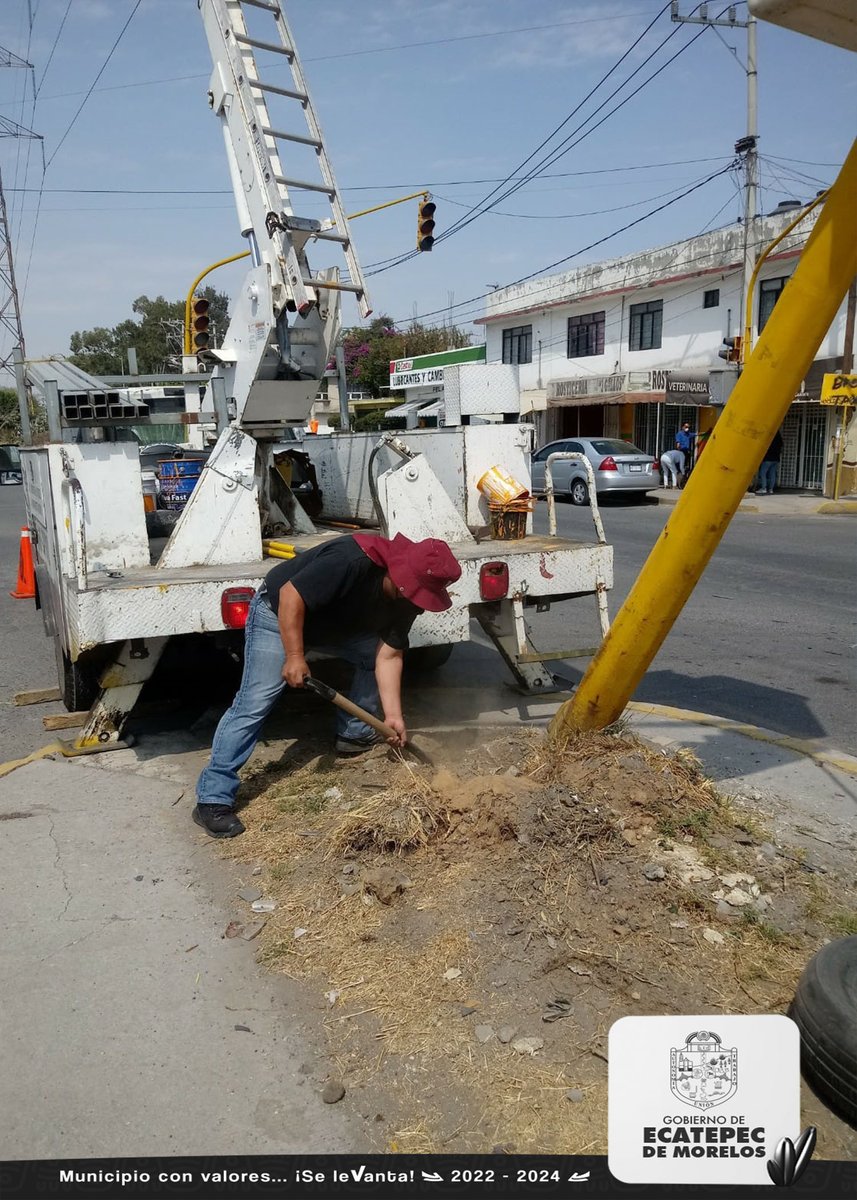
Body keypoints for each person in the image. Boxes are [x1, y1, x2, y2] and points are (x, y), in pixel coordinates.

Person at [193, 532, 462, 838]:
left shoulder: (408, 600)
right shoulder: (350, 561)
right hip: (278, 613)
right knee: (254, 703)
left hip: (338, 627)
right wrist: (294, 656)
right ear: (401, 578)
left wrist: (393, 716)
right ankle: (212, 798)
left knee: (368, 657)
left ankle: (355, 734)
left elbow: (388, 655)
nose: (419, 603)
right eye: (417, 593)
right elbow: (292, 596)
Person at [756, 429, 784, 495]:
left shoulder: (769, 439)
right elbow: (781, 449)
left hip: (768, 459)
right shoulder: (779, 440)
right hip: (776, 459)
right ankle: (771, 489)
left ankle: (763, 488)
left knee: (762, 473)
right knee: (772, 474)